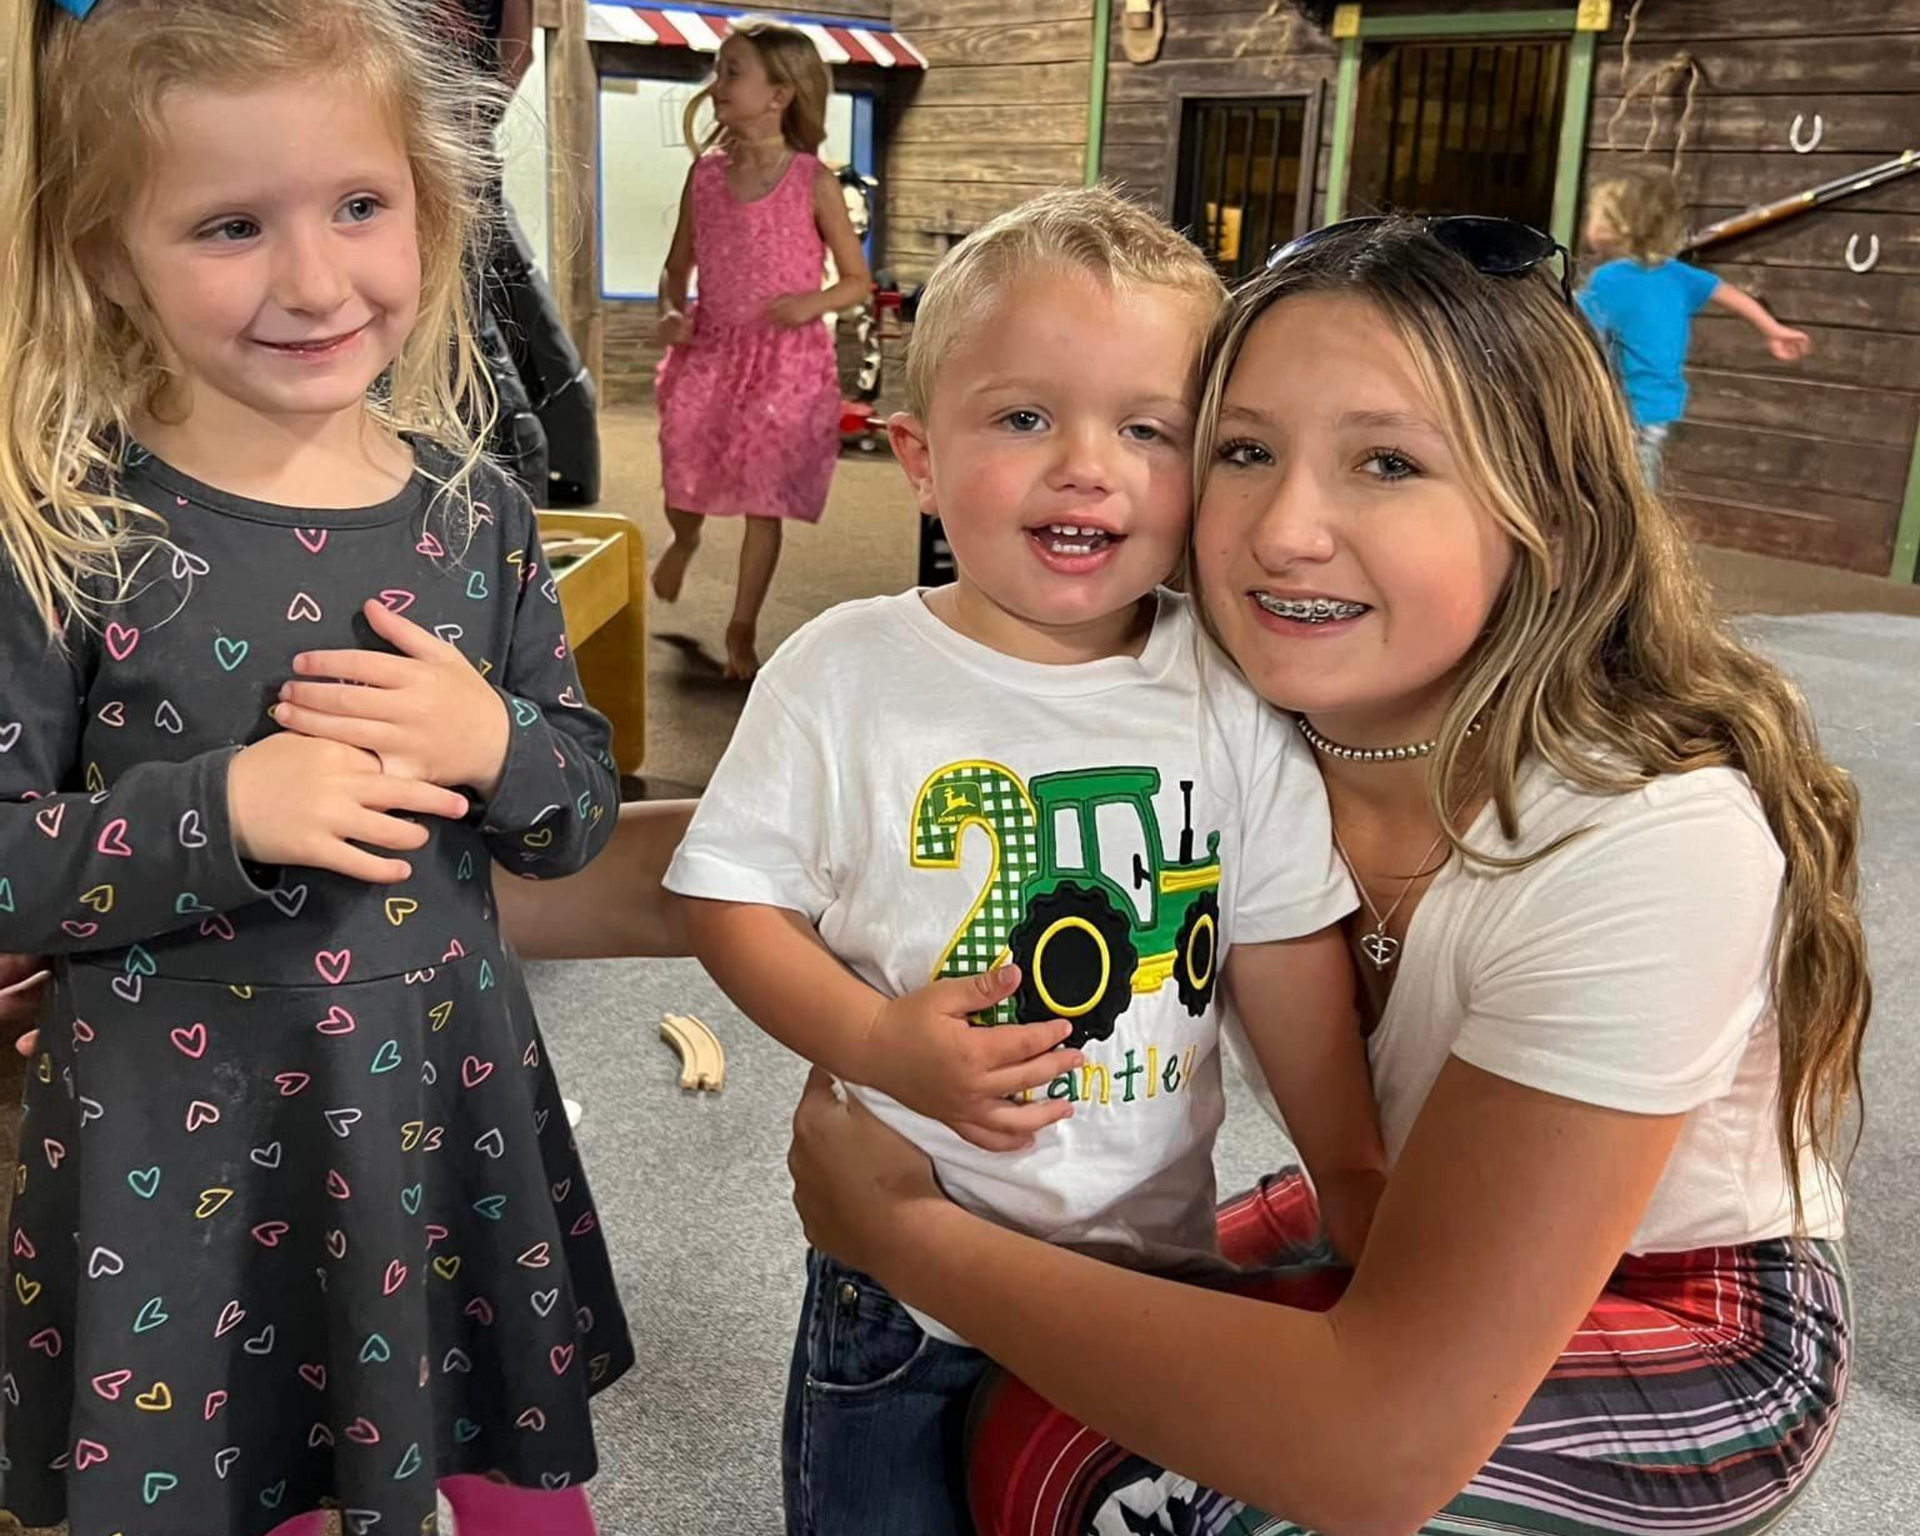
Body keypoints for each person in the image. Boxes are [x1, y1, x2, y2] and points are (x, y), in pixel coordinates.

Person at [786, 214, 1865, 1536]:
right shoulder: (1239, 706)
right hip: (1405, 1196)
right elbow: (807, 822)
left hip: (1691, 1307)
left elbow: (1379, 1448)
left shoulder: (1651, 838)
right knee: (1030, 1342)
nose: (1288, 530)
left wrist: (900, 1232)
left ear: (1545, 512)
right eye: (1243, 449)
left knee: (1098, 1463)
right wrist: (517, 845)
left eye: (1389, 462)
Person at [664, 188, 1383, 1536]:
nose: (1086, 467)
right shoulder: (848, 674)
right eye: (1024, 417)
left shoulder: (1227, 688)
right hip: (908, 1302)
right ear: (918, 460)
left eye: (1147, 430)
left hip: (1152, 1282)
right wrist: (878, 1039)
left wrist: (1349, 1167)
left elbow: (1281, 937)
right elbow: (729, 898)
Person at [0, 3, 632, 1533]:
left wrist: (492, 743)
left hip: (435, 1109)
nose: (313, 278)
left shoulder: (477, 513)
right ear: (106, 255)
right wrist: (221, 813)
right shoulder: (71, 532)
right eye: (230, 224)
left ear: (431, 206)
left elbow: (575, 809)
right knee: (224, 1481)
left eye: (360, 205)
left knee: (491, 1474)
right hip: (178, 1139)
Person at [649, 21, 873, 680]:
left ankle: (741, 628)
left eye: (733, 72)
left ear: (779, 94)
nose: (717, 85)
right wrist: (669, 311)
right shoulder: (705, 177)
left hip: (784, 363)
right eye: (718, 72)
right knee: (683, 469)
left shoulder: (813, 182)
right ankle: (684, 537)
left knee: (763, 499)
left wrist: (813, 302)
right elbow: (674, 268)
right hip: (710, 354)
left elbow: (858, 280)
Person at [1579, 171, 1811, 485]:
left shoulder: (1609, 280)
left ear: (1614, 224)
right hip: (1658, 406)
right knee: (1638, 484)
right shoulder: (1677, 274)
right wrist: (1773, 329)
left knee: (1610, 483)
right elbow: (1729, 295)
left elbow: (1575, 327)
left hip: (1617, 406)